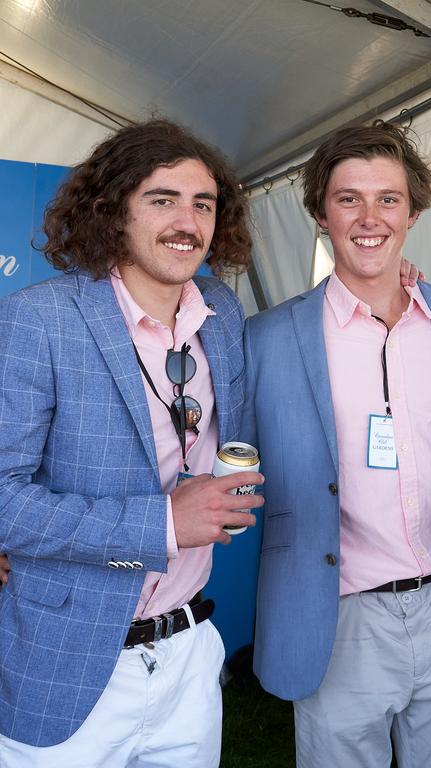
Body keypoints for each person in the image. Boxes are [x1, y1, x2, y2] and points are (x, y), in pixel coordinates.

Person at [0, 119, 263, 766]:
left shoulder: (221, 313)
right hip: (66, 657)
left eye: (203, 203)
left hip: (190, 654)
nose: (187, 221)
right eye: (161, 199)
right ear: (111, 211)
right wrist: (163, 522)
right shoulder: (39, 319)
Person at [242, 120, 431, 768]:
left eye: (388, 198)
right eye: (349, 198)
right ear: (321, 212)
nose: (369, 217)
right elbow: (211, 453)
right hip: (337, 614)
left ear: (413, 211)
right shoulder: (267, 339)